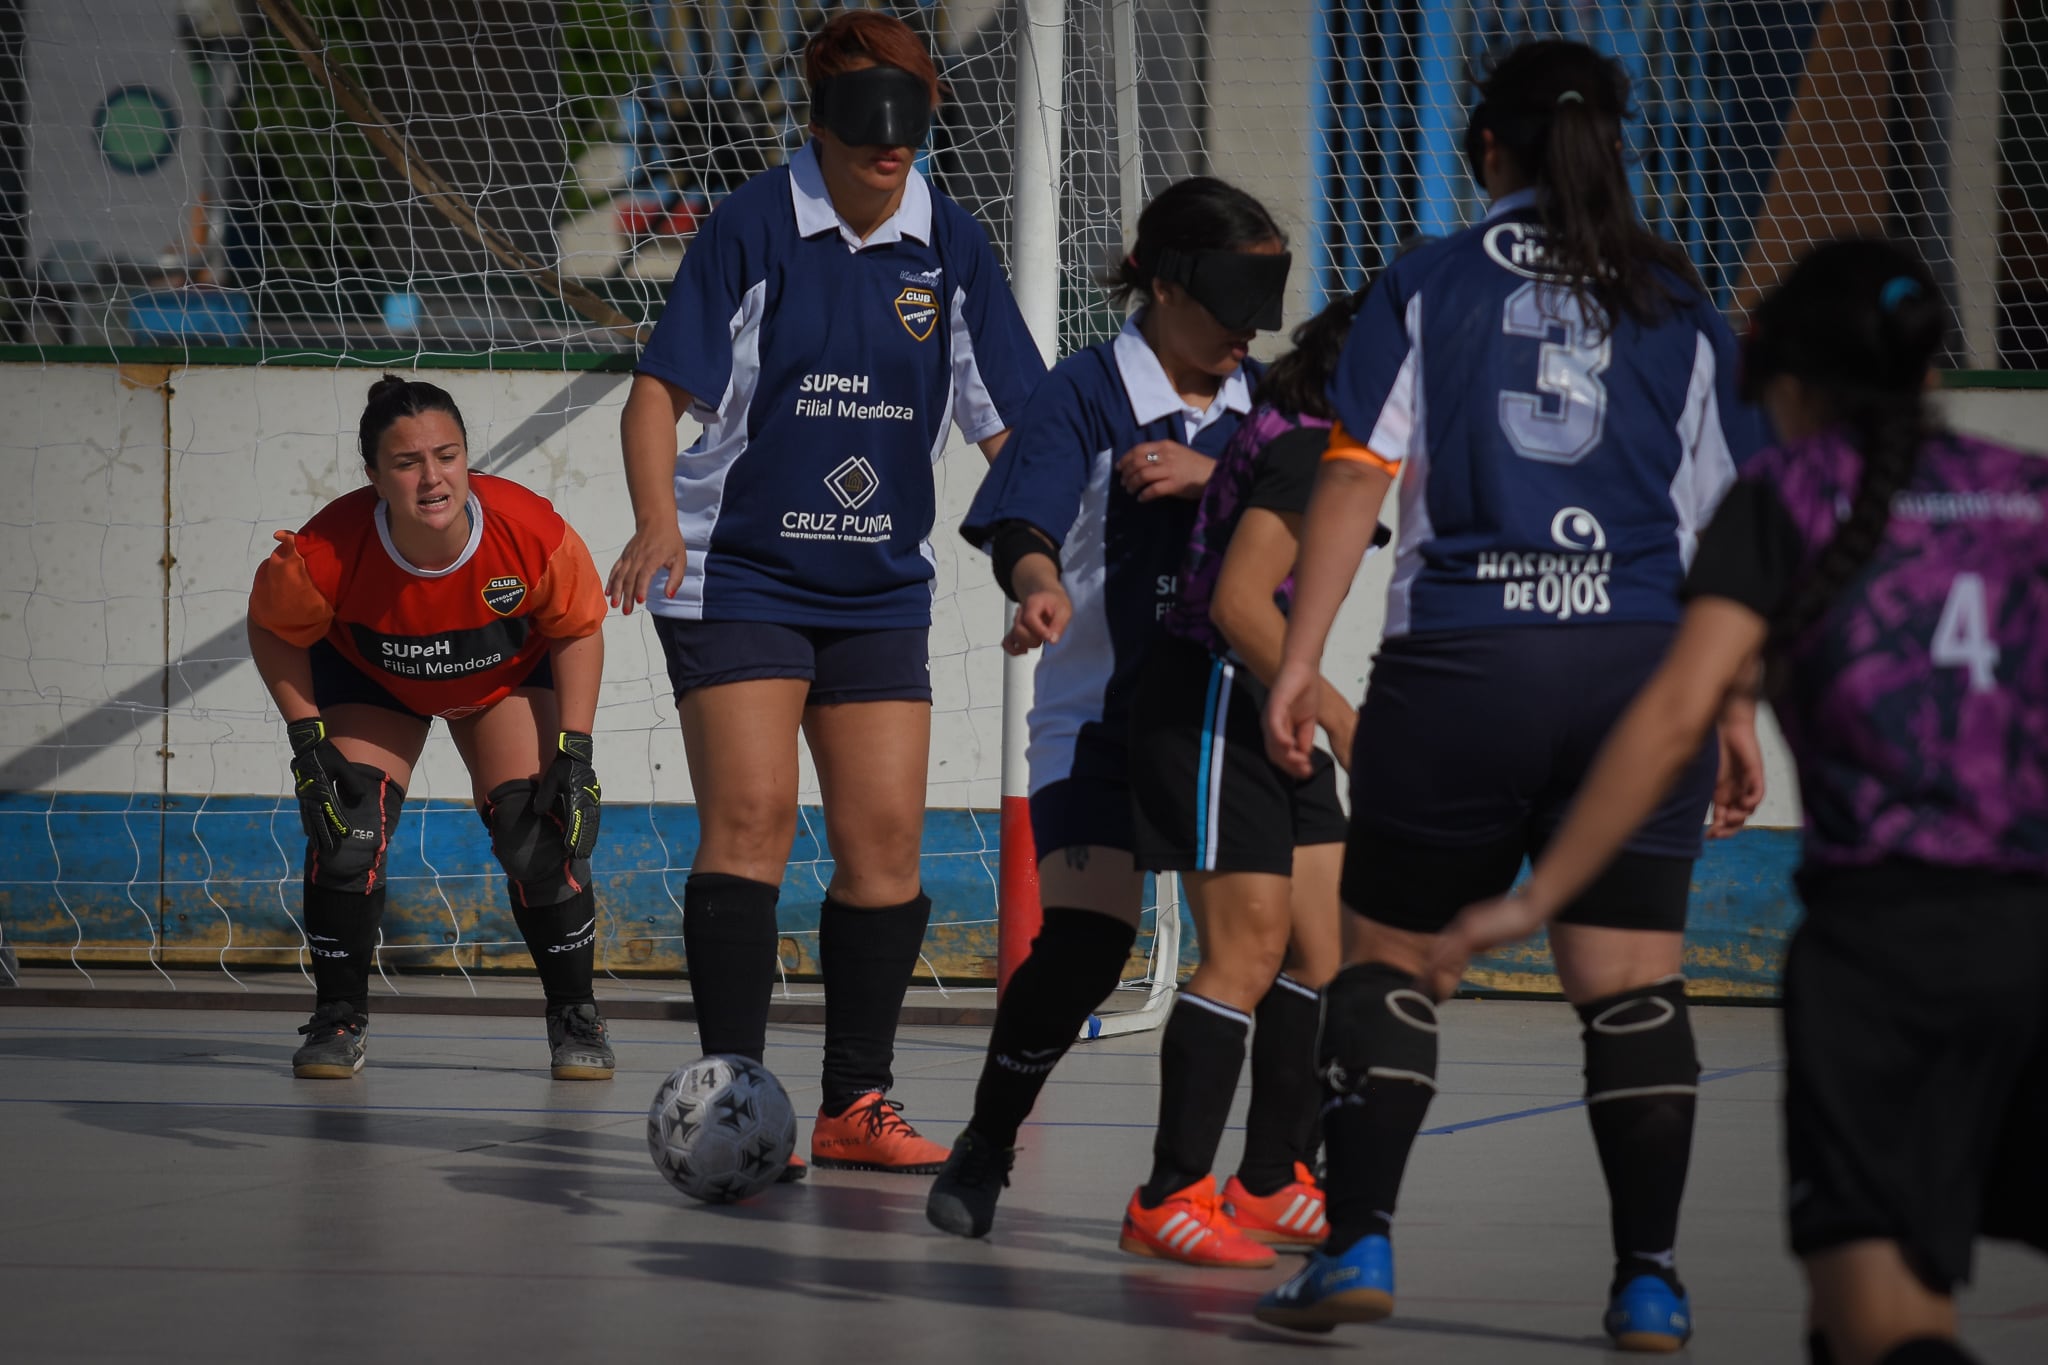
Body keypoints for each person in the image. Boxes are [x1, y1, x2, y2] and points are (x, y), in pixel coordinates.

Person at [1426, 238, 2048, 1365]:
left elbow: (1670, 713)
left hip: (1884, 960)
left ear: (1789, 383)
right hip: (2030, 931)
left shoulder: (1788, 496)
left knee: (1883, 1323)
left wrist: (1534, 899)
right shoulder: (2026, 496)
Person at [1251, 39, 1770, 1348]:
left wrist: (1300, 657)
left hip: (1466, 666)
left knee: (1388, 960)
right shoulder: (1681, 301)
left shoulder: (1428, 283)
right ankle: (1648, 1278)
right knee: (1631, 981)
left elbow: (1359, 472)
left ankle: (1358, 1245)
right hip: (1633, 671)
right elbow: (1736, 522)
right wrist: (1735, 706)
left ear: (1488, 148)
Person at [605, 10, 1044, 1175]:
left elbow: (1014, 429)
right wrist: (657, 517)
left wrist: (1056, 552)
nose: (886, 160)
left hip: (875, 586)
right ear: (819, 127)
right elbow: (657, 397)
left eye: (905, 139)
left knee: (886, 842)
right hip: (735, 569)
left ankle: (857, 1103)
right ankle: (733, 1099)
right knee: (749, 820)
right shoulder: (753, 227)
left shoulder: (949, 244)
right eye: (864, 141)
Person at [924, 176, 1296, 1262]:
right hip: (1099, 721)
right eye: (1228, 303)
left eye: (1259, 308)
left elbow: (1338, 507)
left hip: (1228, 720)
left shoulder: (1263, 401)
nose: (1244, 331)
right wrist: (1037, 584)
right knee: (1088, 943)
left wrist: (1220, 470)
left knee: (1283, 947)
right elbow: (1019, 524)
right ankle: (987, 1142)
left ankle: (1262, 1180)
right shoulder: (1083, 392)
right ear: (1164, 282)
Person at [1124, 290, 1395, 1253]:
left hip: (1269, 697)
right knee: (1246, 952)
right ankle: (1167, 1195)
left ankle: (1271, 1178)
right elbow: (1241, 605)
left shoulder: (1323, 441)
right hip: (1212, 700)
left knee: (1327, 951)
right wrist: (1347, 721)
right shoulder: (1306, 448)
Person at [247, 376, 614, 1081]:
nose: (432, 476)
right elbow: (271, 627)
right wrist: (307, 738)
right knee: (348, 830)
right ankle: (337, 1018)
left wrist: (576, 748)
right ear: (374, 476)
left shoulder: (527, 529)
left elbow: (579, 629)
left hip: (502, 677)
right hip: (375, 679)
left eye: (447, 455)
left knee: (539, 830)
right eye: (408, 462)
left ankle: (576, 1015)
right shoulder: (328, 548)